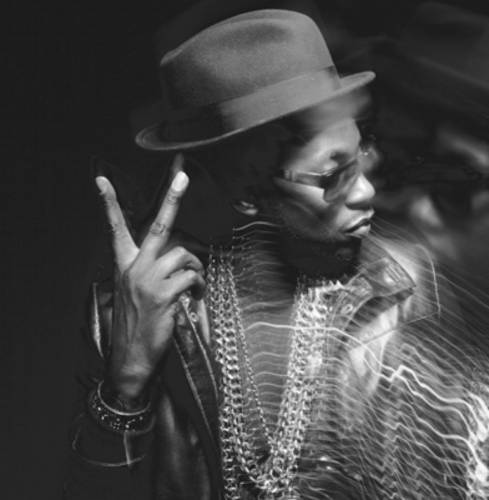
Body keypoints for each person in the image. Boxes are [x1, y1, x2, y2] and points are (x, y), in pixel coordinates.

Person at [64, 9, 489, 500]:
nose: (366, 191)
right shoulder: (138, 309)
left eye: (361, 154)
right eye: (332, 176)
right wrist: (126, 385)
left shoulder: (401, 289)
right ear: (247, 193)